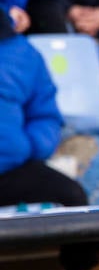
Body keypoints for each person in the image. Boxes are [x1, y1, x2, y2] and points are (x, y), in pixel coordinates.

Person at [0, 13, 86, 206]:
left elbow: (44, 114)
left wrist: (31, 146)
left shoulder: (22, 52)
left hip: (9, 169)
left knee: (72, 197)